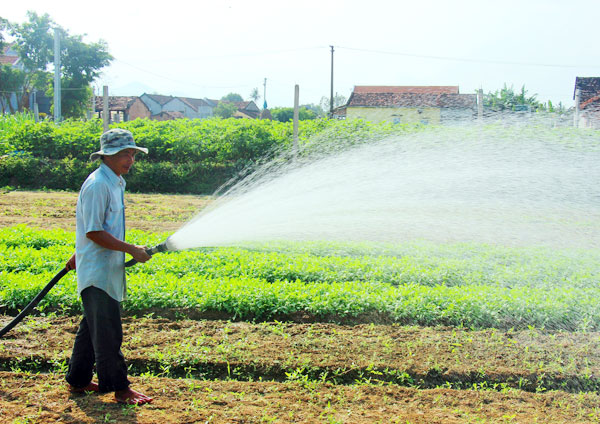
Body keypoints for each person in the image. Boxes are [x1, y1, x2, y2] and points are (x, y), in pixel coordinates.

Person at [65, 128, 153, 405]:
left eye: (132, 153)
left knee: (92, 327)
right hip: (98, 273)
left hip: (103, 268)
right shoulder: (98, 185)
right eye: (124, 154)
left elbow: (93, 229)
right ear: (107, 156)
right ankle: (120, 388)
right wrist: (131, 249)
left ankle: (77, 380)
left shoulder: (115, 181)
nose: (130, 159)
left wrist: (79, 252)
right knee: (108, 333)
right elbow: (94, 231)